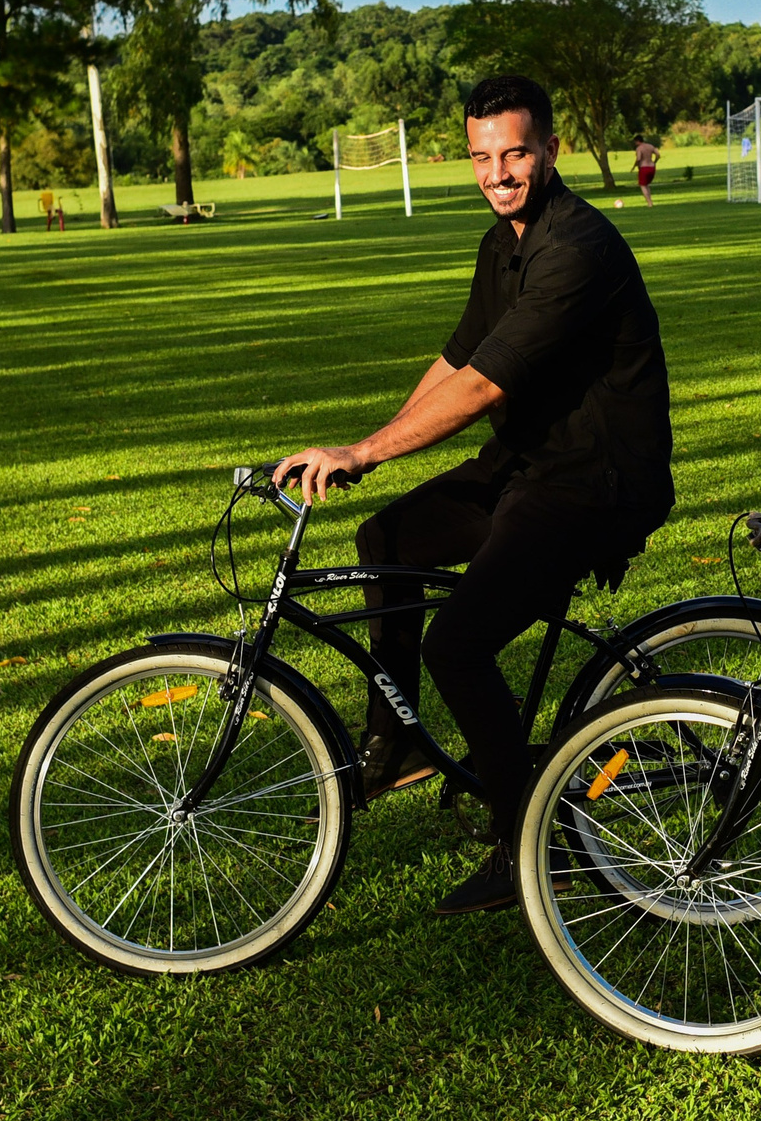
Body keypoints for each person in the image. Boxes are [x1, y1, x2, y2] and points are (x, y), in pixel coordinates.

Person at [275, 74, 675, 915]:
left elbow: (486, 385)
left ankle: (527, 838)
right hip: (530, 462)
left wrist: (366, 447)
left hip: (596, 480)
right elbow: (457, 359)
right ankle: (400, 740)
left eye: (516, 152)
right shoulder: (503, 245)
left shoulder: (578, 248)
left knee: (456, 645)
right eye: (482, 156)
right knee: (387, 540)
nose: (498, 172)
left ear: (551, 150)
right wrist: (369, 452)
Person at [631, 134, 661, 206]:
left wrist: (635, 165)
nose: (635, 144)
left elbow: (638, 158)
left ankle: (649, 203)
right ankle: (650, 201)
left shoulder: (639, 148)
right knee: (646, 185)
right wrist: (654, 162)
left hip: (644, 167)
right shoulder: (650, 146)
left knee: (642, 185)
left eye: (635, 142)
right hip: (652, 167)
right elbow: (658, 155)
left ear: (638, 141)